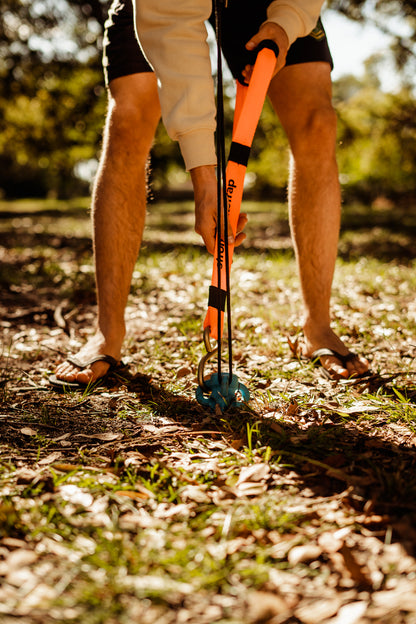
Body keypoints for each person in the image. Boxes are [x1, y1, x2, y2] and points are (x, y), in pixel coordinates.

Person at [51, 0, 369, 389]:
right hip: (163, 6)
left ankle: (317, 328)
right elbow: (172, 27)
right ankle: (107, 333)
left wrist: (286, 25)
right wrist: (204, 180)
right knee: (130, 117)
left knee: (317, 120)